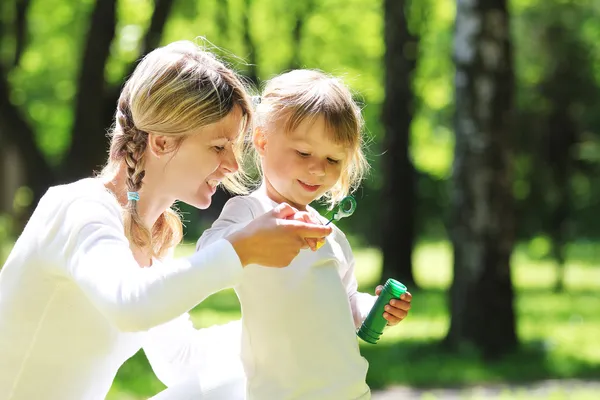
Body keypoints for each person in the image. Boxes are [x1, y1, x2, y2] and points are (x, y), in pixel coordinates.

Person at [0, 42, 331, 400]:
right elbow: (131, 305)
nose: (233, 164)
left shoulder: (152, 238)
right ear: (160, 143)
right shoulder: (79, 209)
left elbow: (182, 360)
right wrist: (242, 250)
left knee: (241, 383)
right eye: (219, 146)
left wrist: (300, 320)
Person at [197, 69, 413, 400]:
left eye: (333, 159)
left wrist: (375, 308)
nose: (318, 168)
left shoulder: (332, 235)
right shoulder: (251, 212)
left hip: (349, 391)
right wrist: (254, 238)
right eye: (303, 153)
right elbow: (206, 254)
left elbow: (348, 302)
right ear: (263, 140)